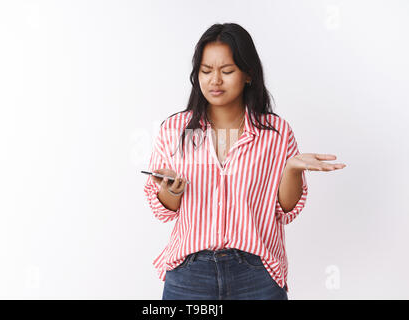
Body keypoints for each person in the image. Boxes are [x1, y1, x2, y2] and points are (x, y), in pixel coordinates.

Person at [143, 23, 346, 300]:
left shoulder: (275, 133)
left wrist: (291, 170)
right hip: (190, 273)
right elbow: (162, 209)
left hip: (256, 272)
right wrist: (171, 189)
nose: (215, 80)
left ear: (248, 74)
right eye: (206, 71)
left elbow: (285, 210)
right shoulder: (176, 130)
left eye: (226, 71)